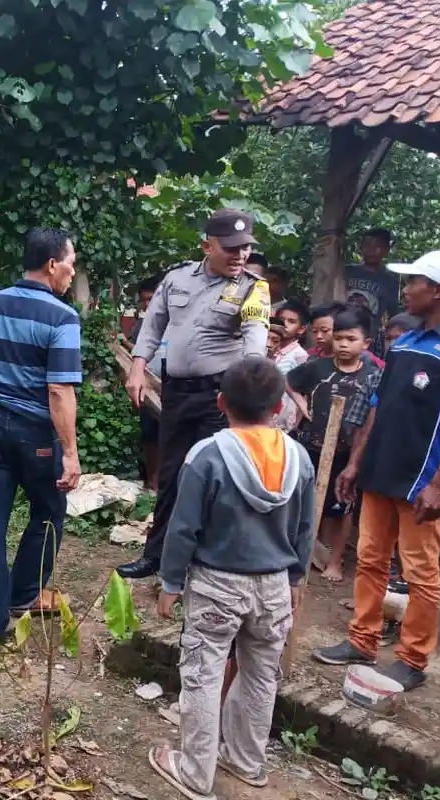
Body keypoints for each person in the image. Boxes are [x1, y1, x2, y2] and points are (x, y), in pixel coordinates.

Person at [150, 357, 315, 800]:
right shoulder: (298, 457)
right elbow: (304, 527)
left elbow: (183, 527)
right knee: (262, 675)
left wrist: (169, 582)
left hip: (216, 585)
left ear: (220, 402)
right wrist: (296, 577)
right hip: (275, 585)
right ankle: (247, 761)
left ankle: (194, 771)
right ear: (280, 406)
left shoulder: (207, 454)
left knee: (203, 676)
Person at [318, 250, 440, 691]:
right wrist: (356, 463)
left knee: (419, 573)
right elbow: (377, 407)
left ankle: (412, 659)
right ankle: (363, 639)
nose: (406, 289)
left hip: (421, 484)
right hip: (380, 473)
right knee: (371, 559)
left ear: (439, 290)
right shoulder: (407, 343)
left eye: (414, 282)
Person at [119, 209, 271, 580]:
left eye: (246, 248)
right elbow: (152, 327)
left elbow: (254, 341)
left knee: (208, 477)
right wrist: (137, 368)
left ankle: (201, 564)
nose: (240, 256)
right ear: (207, 245)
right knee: (170, 475)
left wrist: (251, 389)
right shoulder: (176, 279)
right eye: (231, 249)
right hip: (177, 393)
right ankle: (156, 556)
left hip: (218, 398)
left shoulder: (254, 289)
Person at [0, 227, 83, 637]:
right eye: (70, 263)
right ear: (52, 265)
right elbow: (59, 389)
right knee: (49, 511)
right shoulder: (63, 317)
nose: (72, 272)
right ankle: (24, 593)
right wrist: (70, 452)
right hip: (35, 433)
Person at [284, 311, 379, 583]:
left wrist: (356, 460)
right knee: (300, 500)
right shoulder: (317, 367)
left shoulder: (372, 375)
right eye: (338, 339)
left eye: (351, 339)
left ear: (366, 343)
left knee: (343, 507)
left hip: (347, 453)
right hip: (310, 445)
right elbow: (289, 382)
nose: (343, 345)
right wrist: (302, 405)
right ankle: (296, 556)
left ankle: (335, 560)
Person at [129, 274, 165, 490]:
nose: (148, 304)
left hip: (173, 388)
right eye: (144, 300)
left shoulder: (181, 322)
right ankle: (152, 481)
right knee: (150, 435)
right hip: (147, 388)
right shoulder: (143, 325)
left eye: (152, 298)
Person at [345, 228, 401, 359]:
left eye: (378, 246)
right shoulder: (347, 271)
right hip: (343, 328)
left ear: (386, 250)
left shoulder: (389, 279)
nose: (371, 250)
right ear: (360, 247)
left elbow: (393, 310)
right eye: (367, 245)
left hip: (370, 336)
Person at [270, 300, 310, 431]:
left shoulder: (300, 356)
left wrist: (295, 426)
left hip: (283, 424)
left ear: (302, 329)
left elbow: (304, 394)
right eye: (281, 319)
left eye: (291, 321)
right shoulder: (265, 348)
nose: (285, 324)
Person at [308, 303, 385, 368]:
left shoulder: (367, 360)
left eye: (325, 330)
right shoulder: (311, 356)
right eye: (314, 331)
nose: (319, 336)